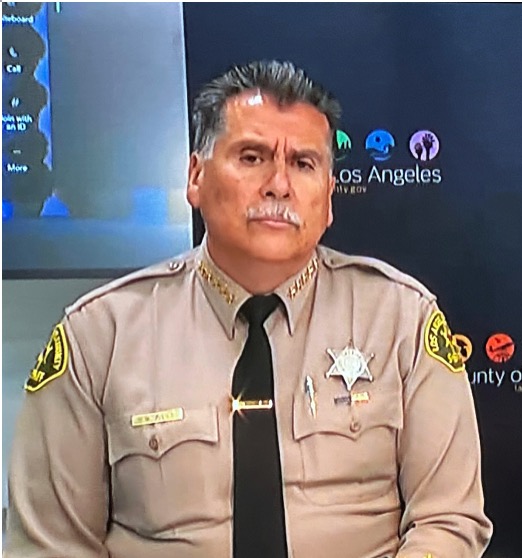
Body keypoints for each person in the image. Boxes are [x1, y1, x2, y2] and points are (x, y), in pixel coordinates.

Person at [5, 60, 493, 558]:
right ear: (196, 176)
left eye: (303, 164)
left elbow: (448, 520)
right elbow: (49, 545)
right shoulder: (99, 336)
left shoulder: (401, 320)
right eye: (253, 157)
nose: (279, 185)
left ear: (328, 198)